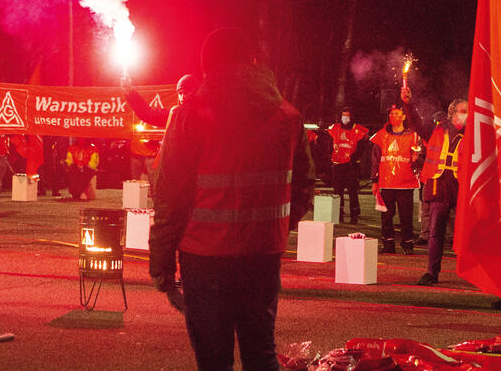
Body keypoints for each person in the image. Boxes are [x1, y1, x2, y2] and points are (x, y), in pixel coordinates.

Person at [148, 27, 315, 370]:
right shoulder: (286, 116)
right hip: (263, 255)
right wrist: (274, 228)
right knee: (261, 352)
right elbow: (304, 186)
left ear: (206, 67)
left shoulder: (191, 115)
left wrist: (161, 262)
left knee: (213, 359)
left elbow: (169, 196)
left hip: (204, 258)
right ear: (252, 62)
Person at [417, 97, 468, 283]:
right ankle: (432, 272)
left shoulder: (472, 132)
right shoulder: (436, 129)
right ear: (452, 112)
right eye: (463, 111)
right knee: (436, 232)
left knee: (465, 233)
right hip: (438, 186)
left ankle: (471, 271)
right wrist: (407, 103)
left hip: (460, 187)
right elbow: (416, 123)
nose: (466, 115)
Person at [124, 74, 197, 180]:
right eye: (179, 93)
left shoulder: (207, 114)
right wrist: (130, 92)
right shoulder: (174, 114)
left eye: (185, 92)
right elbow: (148, 114)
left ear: (195, 91)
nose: (182, 97)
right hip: (180, 172)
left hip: (198, 171)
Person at [371, 105, 421, 256]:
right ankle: (388, 243)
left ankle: (407, 244)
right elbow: (375, 159)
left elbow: (420, 156)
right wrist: (374, 180)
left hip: (405, 183)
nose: (394, 116)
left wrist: (417, 159)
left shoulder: (413, 136)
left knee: (406, 216)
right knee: (386, 215)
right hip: (386, 183)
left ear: (404, 116)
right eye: (392, 114)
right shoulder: (381, 135)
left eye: (397, 114)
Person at [326, 107, 370, 224]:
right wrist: (332, 156)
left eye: (347, 116)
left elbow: (361, 148)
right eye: (343, 116)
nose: (345, 118)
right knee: (337, 191)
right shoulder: (335, 128)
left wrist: (353, 159)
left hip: (351, 165)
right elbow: (329, 144)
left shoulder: (359, 130)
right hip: (337, 164)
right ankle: (338, 214)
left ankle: (354, 215)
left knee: (352, 192)